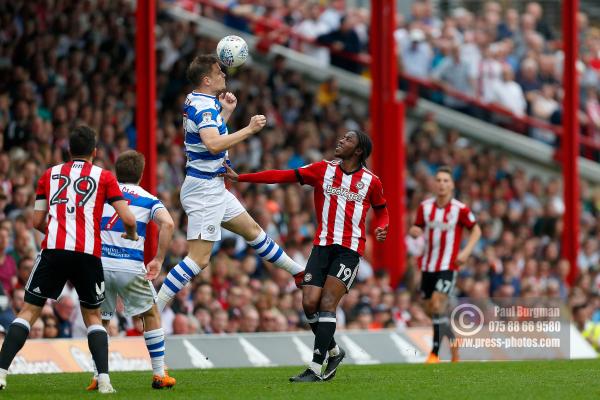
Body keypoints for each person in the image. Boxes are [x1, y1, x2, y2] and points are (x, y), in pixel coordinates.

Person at [224, 130, 389, 382]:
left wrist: (382, 225)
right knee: (309, 302)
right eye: (342, 137)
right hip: (321, 246)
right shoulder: (322, 169)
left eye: (348, 140)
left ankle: (314, 368)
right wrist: (242, 178)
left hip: (349, 250)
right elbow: (283, 176)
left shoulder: (371, 181)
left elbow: (381, 209)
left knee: (327, 304)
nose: (340, 140)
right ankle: (334, 352)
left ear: (358, 151)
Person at [156, 55, 305, 312]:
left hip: (211, 185)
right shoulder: (203, 107)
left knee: (253, 230)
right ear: (207, 79)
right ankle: (155, 309)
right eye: (219, 72)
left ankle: (299, 273)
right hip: (204, 189)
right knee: (199, 259)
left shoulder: (202, 101)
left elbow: (208, 138)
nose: (224, 75)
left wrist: (225, 112)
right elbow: (213, 144)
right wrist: (248, 130)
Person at [0, 125, 138, 393]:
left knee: (28, 311)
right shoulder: (105, 177)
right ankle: (105, 381)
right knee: (93, 317)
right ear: (95, 152)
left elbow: (36, 220)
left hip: (54, 250)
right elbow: (129, 219)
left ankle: (1, 373)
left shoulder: (49, 174)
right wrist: (131, 234)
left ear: (68, 150)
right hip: (87, 253)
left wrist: (56, 232)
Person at [86, 150, 176, 390]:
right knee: (150, 314)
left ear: (117, 171)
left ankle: (98, 376)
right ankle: (159, 374)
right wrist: (158, 258)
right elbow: (168, 223)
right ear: (141, 174)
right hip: (130, 266)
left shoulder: (102, 193)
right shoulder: (149, 199)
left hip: (100, 265)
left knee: (99, 320)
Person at [409, 166, 481, 363]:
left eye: (445, 181)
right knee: (431, 310)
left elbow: (476, 231)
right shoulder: (425, 207)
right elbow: (417, 226)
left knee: (436, 303)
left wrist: (465, 253)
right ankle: (454, 341)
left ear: (452, 185)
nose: (442, 184)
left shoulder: (460, 209)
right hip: (427, 265)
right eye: (438, 180)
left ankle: (434, 354)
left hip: (448, 266)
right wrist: (414, 230)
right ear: (434, 184)